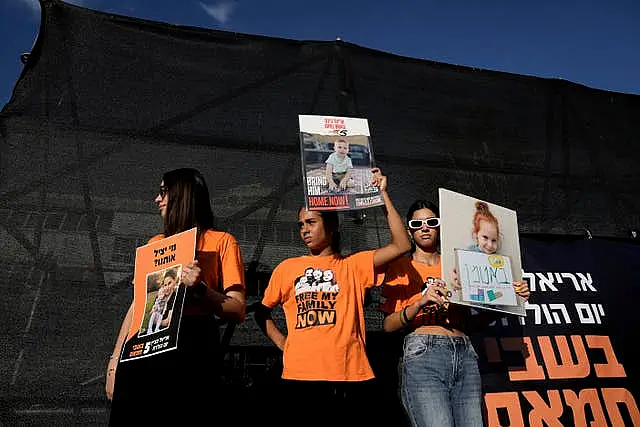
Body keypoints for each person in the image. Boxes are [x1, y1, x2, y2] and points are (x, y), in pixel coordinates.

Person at [255, 168, 410, 427]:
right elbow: (262, 311)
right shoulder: (287, 267)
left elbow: (402, 245)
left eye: (311, 222)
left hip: (348, 375)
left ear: (333, 225)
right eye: (301, 225)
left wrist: (382, 194)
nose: (304, 230)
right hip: (299, 376)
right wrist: (283, 343)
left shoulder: (354, 265)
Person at [106, 168, 246, 425]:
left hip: (192, 348)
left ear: (182, 196)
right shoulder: (154, 244)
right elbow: (138, 305)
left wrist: (200, 289)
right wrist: (115, 361)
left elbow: (237, 310)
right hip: (144, 345)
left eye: (163, 192)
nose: (157, 200)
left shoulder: (222, 242)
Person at [379, 200, 530, 427]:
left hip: (465, 351)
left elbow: (470, 322)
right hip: (423, 353)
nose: (425, 227)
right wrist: (420, 302)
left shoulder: (461, 261)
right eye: (417, 223)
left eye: (431, 222)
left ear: (440, 227)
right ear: (409, 231)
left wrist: (511, 299)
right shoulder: (400, 267)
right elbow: (388, 325)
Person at [145, 269, 178, 335]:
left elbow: (167, 322)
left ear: (175, 282)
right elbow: (152, 313)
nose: (167, 287)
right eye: (165, 285)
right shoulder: (160, 295)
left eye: (169, 283)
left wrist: (156, 320)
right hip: (153, 329)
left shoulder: (175, 297)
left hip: (165, 332)